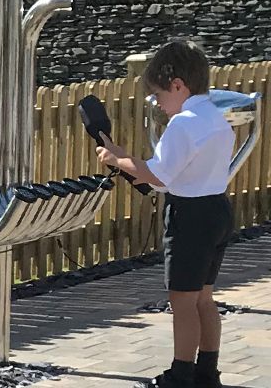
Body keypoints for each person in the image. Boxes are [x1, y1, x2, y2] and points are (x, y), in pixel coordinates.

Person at [96, 40, 235, 388]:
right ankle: (207, 372)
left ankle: (181, 374)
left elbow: (157, 177)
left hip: (189, 216)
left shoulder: (183, 124)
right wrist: (127, 158)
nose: (158, 104)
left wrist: (116, 158)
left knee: (182, 301)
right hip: (218, 209)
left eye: (159, 95)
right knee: (204, 297)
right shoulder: (216, 117)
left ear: (178, 85)